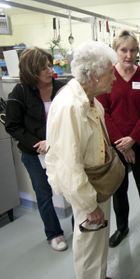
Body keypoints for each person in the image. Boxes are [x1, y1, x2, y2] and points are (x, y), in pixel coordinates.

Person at [45, 41, 117, 279]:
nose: (114, 78)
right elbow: (68, 165)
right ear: (95, 76)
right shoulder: (71, 106)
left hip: (96, 183)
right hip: (85, 187)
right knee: (88, 242)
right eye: (110, 73)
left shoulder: (91, 101)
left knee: (97, 238)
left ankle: (100, 275)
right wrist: (89, 204)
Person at [97, 30, 140, 251]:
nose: (129, 54)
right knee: (118, 190)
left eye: (133, 50)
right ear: (116, 51)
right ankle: (122, 227)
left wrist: (132, 139)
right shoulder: (107, 77)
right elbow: (103, 112)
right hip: (116, 147)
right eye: (124, 50)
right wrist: (121, 145)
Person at [5, 47, 67, 252]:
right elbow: (12, 125)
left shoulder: (62, 88)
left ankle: (80, 228)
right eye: (43, 68)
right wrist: (37, 144)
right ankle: (54, 233)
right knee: (44, 193)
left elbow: (71, 121)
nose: (50, 70)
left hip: (62, 149)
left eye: (49, 65)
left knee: (72, 187)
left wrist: (52, 141)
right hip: (34, 155)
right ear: (32, 71)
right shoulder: (20, 92)